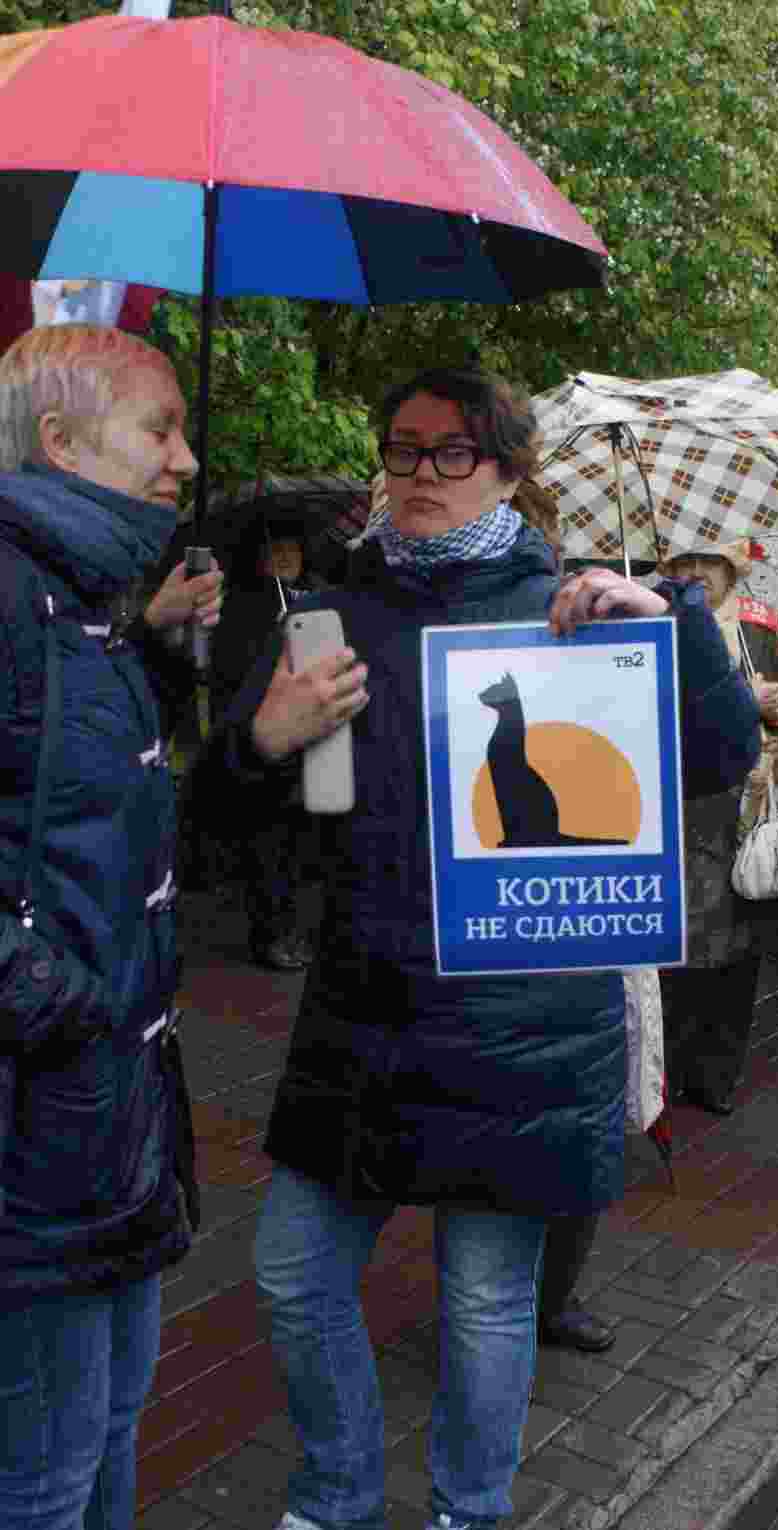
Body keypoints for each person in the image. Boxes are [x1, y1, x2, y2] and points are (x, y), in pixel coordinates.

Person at [188, 367, 761, 1530]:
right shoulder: (329, 617)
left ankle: (469, 1511)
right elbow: (225, 822)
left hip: (520, 1020)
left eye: (453, 453)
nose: (420, 475)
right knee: (297, 1279)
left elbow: (716, 757)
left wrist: (674, 626)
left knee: (486, 1304)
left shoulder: (568, 607)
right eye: (401, 451)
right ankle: (337, 1495)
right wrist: (259, 740)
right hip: (360, 1008)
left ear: (507, 467)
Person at [0, 323, 223, 1529]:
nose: (183, 458)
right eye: (160, 428)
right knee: (41, 1469)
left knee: (116, 1418)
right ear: (60, 441)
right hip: (38, 1129)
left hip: (114, 1114)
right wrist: (70, 1013)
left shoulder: (85, 604)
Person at [654, 542, 778, 1115]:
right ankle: (669, 1068)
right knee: (683, 942)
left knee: (742, 941)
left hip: (750, 807)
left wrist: (774, 703)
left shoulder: (754, 626)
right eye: (684, 564)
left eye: (708, 563)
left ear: (729, 570)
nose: (696, 574)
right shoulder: (654, 620)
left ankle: (717, 1074)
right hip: (684, 803)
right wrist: (743, 699)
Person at [208, 500, 325, 970]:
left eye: (290, 551)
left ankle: (292, 924)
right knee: (268, 840)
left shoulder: (313, 597)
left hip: (310, 742)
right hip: (263, 740)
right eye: (274, 553)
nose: (283, 560)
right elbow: (229, 674)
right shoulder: (242, 606)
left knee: (299, 841)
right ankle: (272, 931)